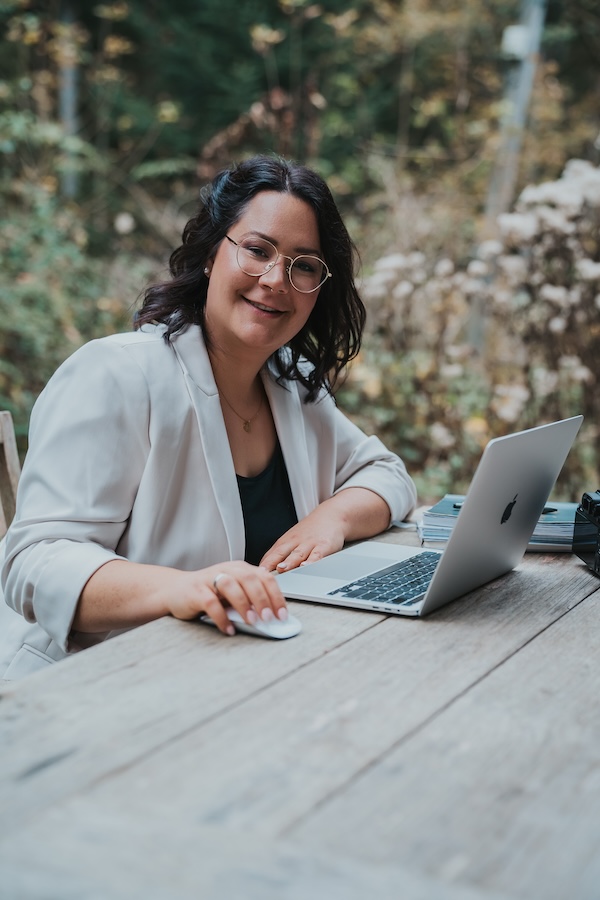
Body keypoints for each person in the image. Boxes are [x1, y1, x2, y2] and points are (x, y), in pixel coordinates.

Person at [0, 154, 416, 680]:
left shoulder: (291, 381)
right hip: (93, 684)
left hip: (241, 676)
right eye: (257, 250)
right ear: (210, 255)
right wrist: (182, 588)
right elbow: (34, 564)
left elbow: (387, 475)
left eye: (304, 265)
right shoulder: (115, 373)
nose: (276, 279)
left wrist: (331, 520)